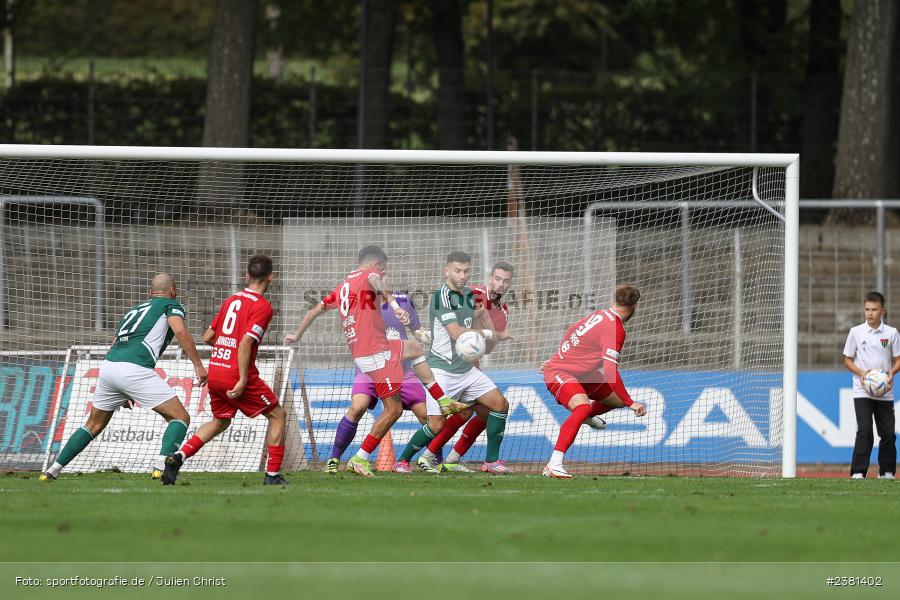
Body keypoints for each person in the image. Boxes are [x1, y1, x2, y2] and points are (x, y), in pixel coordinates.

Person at [284, 245, 464, 478]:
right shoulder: (370, 275)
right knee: (392, 409)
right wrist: (396, 306)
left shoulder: (342, 288)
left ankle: (442, 400)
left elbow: (314, 310)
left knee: (415, 351)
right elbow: (375, 280)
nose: (382, 275)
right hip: (375, 354)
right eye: (383, 270)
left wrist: (297, 334)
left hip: (369, 353)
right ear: (377, 265)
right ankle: (358, 458)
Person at [40, 274, 207, 481]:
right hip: (135, 368)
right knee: (180, 417)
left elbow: (115, 341)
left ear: (150, 293)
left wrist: (123, 388)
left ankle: (52, 470)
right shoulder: (171, 305)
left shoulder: (134, 310)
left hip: (109, 367)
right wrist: (198, 365)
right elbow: (180, 331)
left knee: (93, 425)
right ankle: (161, 465)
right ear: (172, 291)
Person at [162, 254, 286, 485]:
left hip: (216, 369)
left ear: (246, 275)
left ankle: (178, 457)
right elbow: (246, 342)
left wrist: (226, 349)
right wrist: (241, 378)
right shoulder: (262, 306)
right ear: (271, 277)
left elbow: (208, 336)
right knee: (277, 415)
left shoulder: (232, 300)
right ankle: (272, 476)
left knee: (220, 421)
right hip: (234, 374)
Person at [396, 251, 513, 474]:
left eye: (466, 271)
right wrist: (490, 333)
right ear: (447, 270)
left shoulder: (469, 295)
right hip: (442, 370)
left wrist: (487, 325)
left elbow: (476, 323)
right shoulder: (442, 296)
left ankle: (491, 462)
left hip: (467, 370)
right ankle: (402, 460)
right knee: (436, 424)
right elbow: (457, 333)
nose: (462, 275)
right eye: (457, 270)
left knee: (500, 405)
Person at [541, 284, 647, 479]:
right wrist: (631, 402)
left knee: (616, 401)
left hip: (580, 371)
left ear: (613, 301)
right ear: (636, 307)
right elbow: (609, 371)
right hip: (561, 371)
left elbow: (572, 331)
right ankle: (554, 463)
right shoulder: (615, 329)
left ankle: (587, 417)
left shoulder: (600, 314)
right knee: (582, 407)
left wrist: (562, 355)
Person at [320, 291, 432, 474]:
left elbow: (416, 329)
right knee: (357, 407)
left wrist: (422, 335)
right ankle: (334, 459)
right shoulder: (358, 302)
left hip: (402, 370)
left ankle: (433, 459)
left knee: (428, 416)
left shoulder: (402, 300)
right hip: (370, 369)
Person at [842, 291, 899, 479]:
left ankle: (887, 472)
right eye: (867, 309)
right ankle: (858, 472)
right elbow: (847, 360)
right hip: (862, 390)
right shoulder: (856, 332)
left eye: (874, 309)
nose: (870, 313)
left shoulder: (891, 333)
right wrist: (861, 374)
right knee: (865, 431)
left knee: (888, 434)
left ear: (883, 310)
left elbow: (898, 359)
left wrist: (891, 373)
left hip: (885, 392)